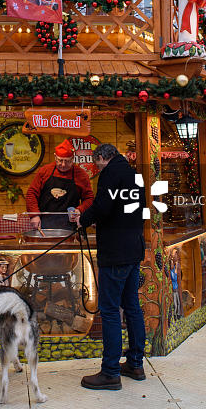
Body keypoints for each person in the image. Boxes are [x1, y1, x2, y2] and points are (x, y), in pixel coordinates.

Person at [73, 143, 146, 391]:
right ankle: (135, 364)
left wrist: (83, 219)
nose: (97, 168)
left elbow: (102, 207)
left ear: (103, 157)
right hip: (134, 248)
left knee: (111, 310)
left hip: (115, 252)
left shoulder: (109, 173)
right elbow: (131, 209)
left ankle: (110, 372)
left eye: (97, 163)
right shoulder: (135, 174)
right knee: (132, 307)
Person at [25, 139, 94, 230]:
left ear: (73, 158)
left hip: (71, 225)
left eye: (68, 161)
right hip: (44, 222)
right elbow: (32, 193)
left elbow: (89, 198)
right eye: (60, 160)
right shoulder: (45, 171)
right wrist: (34, 215)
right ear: (55, 157)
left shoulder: (81, 175)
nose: (63, 164)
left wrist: (79, 210)